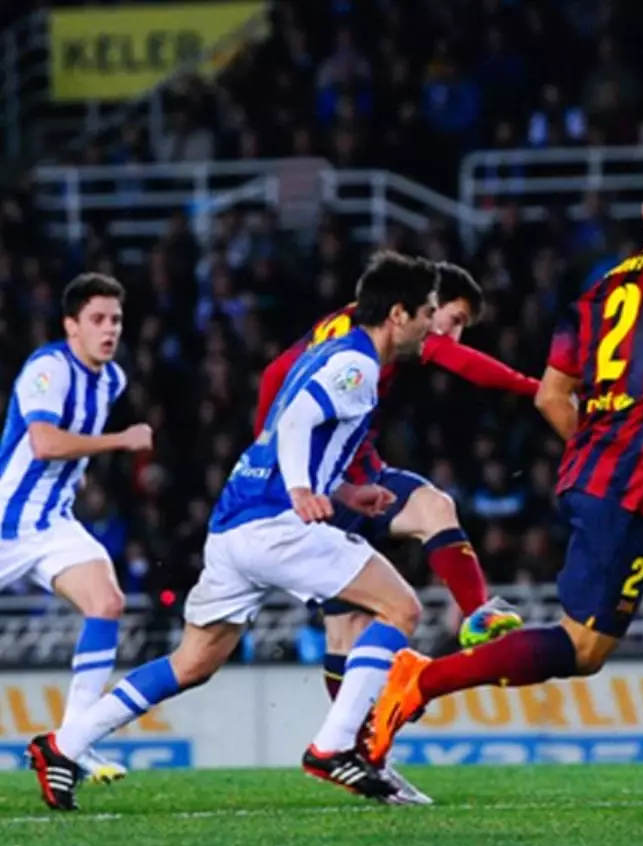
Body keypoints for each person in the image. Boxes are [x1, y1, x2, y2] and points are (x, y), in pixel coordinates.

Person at [366, 151, 643, 816]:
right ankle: (423, 679)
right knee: (581, 648)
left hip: (616, 475)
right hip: (627, 483)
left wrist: (601, 448)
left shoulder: (599, 290)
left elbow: (553, 397)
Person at [28, 253, 439, 812]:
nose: (431, 326)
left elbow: (287, 429)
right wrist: (301, 490)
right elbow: (293, 424)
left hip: (233, 525)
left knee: (193, 661)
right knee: (401, 610)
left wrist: (344, 493)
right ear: (398, 313)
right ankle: (336, 747)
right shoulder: (359, 365)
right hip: (276, 522)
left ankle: (63, 745)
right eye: (428, 313)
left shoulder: (332, 354)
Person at [253, 261, 534, 715]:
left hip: (356, 475)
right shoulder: (379, 331)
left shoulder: (344, 322)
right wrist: (537, 389)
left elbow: (272, 376)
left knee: (433, 508)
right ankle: (354, 735)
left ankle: (475, 615)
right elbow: (459, 361)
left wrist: (265, 448)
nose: (453, 336)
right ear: (427, 305)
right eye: (455, 320)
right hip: (327, 486)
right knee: (347, 627)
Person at [0, 273, 151, 786]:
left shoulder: (112, 380)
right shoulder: (48, 367)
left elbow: (68, 445)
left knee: (106, 602)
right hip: (5, 523)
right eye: (98, 320)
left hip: (51, 523)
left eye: (116, 321)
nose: (110, 330)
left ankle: (74, 742)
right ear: (71, 326)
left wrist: (80, 471)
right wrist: (120, 441)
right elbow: (43, 443)